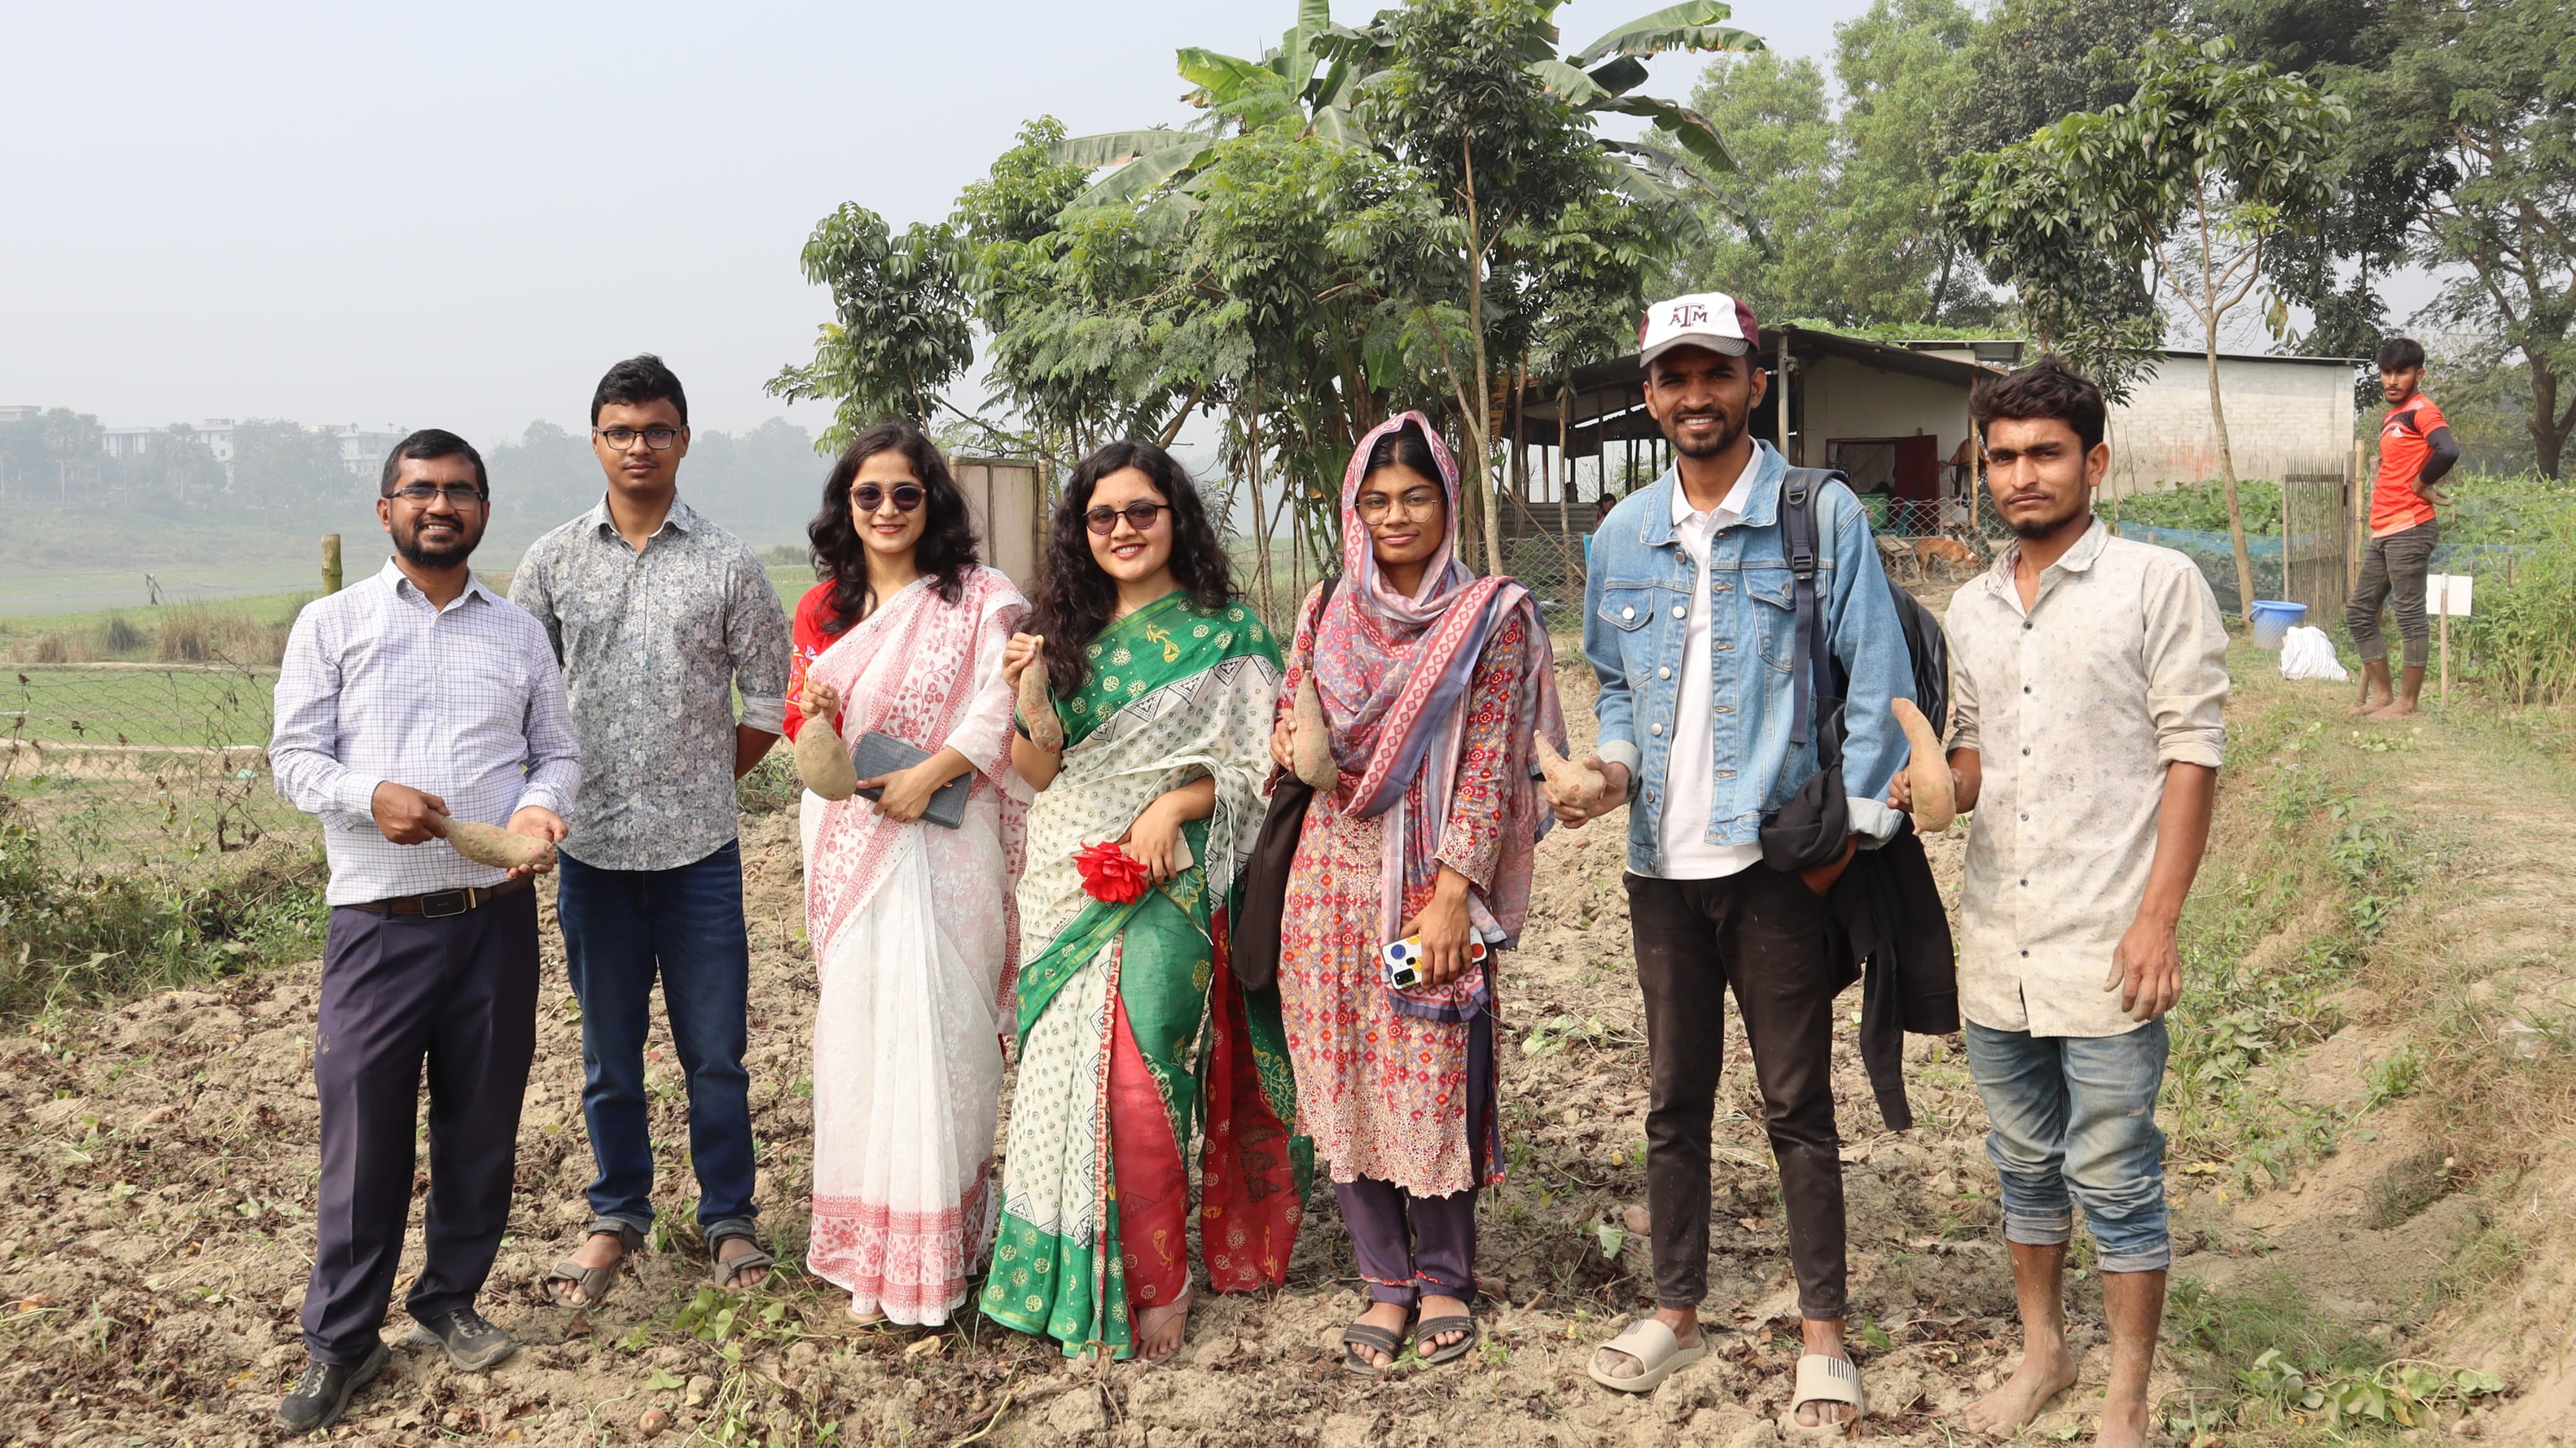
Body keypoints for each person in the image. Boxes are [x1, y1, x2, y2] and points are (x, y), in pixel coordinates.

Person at [1552, 292, 1915, 1430]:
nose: (1696, 395)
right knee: (1674, 1098)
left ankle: (1824, 1334)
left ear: (1757, 383)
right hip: (1661, 868)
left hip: (1776, 866)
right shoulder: (1622, 534)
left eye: (1717, 372)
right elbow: (1619, 688)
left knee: (1797, 1100)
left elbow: (1877, 676)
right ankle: (1677, 1309)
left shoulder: (1817, 512)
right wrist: (1611, 771)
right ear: (1650, 395)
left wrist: (1841, 844)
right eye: (1674, 376)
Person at [1901, 358, 2224, 1448]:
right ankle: (2045, 1348)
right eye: (2003, 457)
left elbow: (2192, 756)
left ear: (2095, 461)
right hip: (2002, 939)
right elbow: (1976, 757)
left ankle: (2126, 1391)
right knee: (2024, 1160)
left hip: (2107, 940)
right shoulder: (1972, 606)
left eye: (2046, 452)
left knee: (2118, 1171)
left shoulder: (2156, 582)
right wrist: (1934, 785)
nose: (2022, 474)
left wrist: (2158, 918)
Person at [268, 430, 581, 1431]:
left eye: (460, 490)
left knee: (481, 1125)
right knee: (363, 1135)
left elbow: (558, 752)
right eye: (421, 489)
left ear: (483, 508)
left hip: (495, 920)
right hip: (378, 922)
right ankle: (342, 1339)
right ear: (386, 509)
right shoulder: (333, 623)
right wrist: (368, 795)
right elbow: (294, 758)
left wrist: (539, 807)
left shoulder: (518, 632)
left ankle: (450, 1295)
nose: (440, 504)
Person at [979, 440, 1308, 1361]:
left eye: (1141, 511)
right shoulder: (1060, 633)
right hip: (1065, 874)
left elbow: (1268, 769)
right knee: (1060, 1079)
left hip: (1174, 876)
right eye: (1102, 516)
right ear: (1080, 531)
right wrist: (1029, 694)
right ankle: (1061, 1276)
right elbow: (1039, 770)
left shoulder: (1229, 637)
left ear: (1176, 518)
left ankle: (1159, 1280)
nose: (1122, 529)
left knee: (1139, 1074)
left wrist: (1176, 802)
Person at [1269, 414, 1565, 1372]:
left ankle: (1443, 1276)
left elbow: (1488, 763)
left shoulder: (1490, 615)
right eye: (1378, 500)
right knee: (1342, 1068)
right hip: (1328, 879)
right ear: (1354, 510)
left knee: (1434, 1066)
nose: (1396, 516)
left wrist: (1451, 893)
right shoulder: (1326, 605)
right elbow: (1291, 711)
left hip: (1430, 876)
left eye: (1416, 497)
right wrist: (1290, 740)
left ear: (1447, 502)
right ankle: (1384, 1278)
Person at [508, 355, 794, 1304]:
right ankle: (617, 1213)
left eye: (656, 430)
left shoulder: (726, 563)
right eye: (621, 431)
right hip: (591, 853)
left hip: (700, 855)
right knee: (608, 1054)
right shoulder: (551, 561)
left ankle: (729, 1218)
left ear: (683, 439)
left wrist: (704, 780)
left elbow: (769, 699)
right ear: (596, 441)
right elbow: (524, 699)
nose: (639, 445)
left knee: (715, 1051)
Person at [783, 423, 1031, 1325]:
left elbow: (1004, 701)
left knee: (948, 1026)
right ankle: (869, 1253)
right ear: (845, 506)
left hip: (950, 837)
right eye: (868, 494)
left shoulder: (983, 596)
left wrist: (934, 771)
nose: (886, 509)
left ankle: (944, 1246)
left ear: (933, 501)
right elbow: (802, 728)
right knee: (861, 1029)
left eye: (905, 493)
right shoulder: (825, 608)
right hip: (852, 843)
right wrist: (813, 712)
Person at [2347, 336, 2460, 718]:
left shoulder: (2422, 410)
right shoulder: (2394, 416)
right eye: (2387, 372)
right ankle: (2383, 697)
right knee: (2359, 611)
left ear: (2419, 374)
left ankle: (2407, 704)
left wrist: (2421, 484)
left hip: (2411, 526)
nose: (2393, 380)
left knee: (2409, 615)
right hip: (2385, 529)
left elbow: (2448, 449)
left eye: (2402, 373)